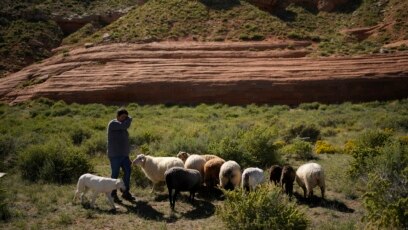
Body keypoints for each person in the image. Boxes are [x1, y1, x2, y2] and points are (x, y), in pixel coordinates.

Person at [107, 108, 135, 202]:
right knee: (115, 174)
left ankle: (125, 192)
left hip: (124, 155)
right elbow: (125, 125)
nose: (124, 119)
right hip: (115, 155)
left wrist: (128, 155)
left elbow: (125, 142)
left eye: (126, 117)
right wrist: (129, 118)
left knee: (127, 172)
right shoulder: (113, 123)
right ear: (117, 116)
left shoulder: (123, 127)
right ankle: (113, 194)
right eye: (123, 117)